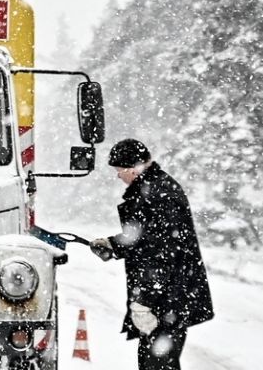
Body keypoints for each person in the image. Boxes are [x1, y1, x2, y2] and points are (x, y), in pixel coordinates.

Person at [87, 139, 213, 369]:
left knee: (157, 364)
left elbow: (162, 254)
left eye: (118, 170)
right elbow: (147, 239)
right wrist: (113, 245)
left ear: (132, 168)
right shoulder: (154, 188)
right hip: (168, 299)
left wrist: (144, 302)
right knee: (155, 362)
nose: (117, 176)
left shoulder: (156, 194)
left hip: (166, 300)